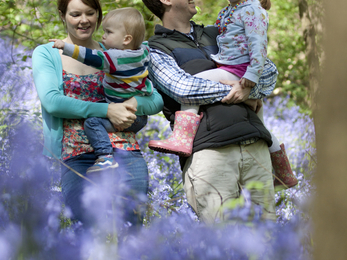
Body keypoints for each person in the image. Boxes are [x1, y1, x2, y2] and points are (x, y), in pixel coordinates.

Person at [32, 0, 163, 227]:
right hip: (77, 156)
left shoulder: (115, 52)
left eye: (90, 13)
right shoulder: (48, 52)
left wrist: (133, 103)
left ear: (98, 16)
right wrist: (108, 109)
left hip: (124, 150)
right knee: (87, 227)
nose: (84, 20)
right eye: (75, 14)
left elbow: (156, 100)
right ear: (63, 16)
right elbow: (52, 102)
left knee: (131, 227)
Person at [142, 0, 276, 223]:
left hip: (255, 146)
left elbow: (268, 73)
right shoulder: (154, 49)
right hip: (210, 153)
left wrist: (249, 89)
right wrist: (241, 90)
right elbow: (183, 89)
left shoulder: (220, 32)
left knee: (268, 240)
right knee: (222, 242)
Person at [49, 7, 154, 174]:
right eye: (76, 13)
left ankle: (105, 157)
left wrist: (66, 47)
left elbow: (89, 56)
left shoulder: (114, 58)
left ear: (126, 39)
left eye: (109, 32)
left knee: (92, 122)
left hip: (126, 118)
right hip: (139, 117)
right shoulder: (143, 51)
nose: (103, 36)